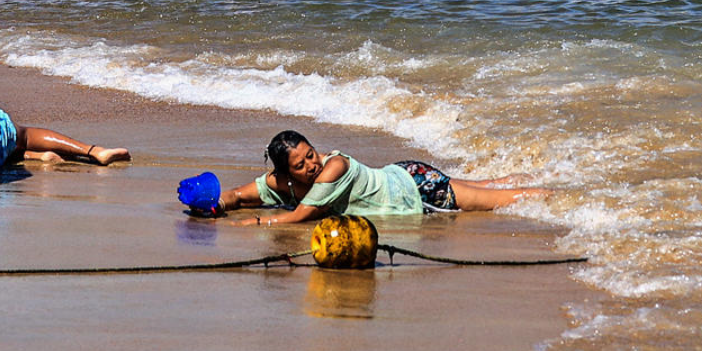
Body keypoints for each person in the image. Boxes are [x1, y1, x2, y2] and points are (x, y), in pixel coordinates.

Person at [216, 131, 541, 221]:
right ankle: (541, 171)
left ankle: (562, 197)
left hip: (419, 189)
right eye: (300, 165)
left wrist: (258, 224)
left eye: (310, 154)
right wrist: (214, 204)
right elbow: (238, 195)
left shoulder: (334, 167)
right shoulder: (281, 182)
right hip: (403, 175)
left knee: (503, 200)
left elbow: (300, 215)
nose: (311, 165)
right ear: (285, 173)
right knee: (490, 186)